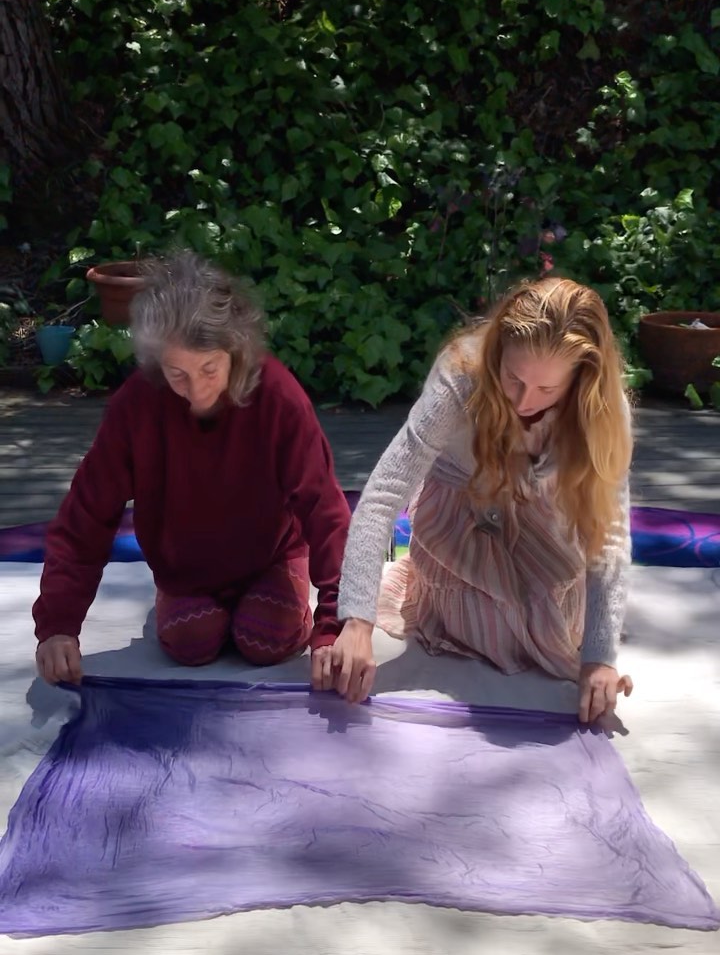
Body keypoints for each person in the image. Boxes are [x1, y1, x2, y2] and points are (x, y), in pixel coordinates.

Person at [33, 251, 351, 688]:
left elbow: (324, 507)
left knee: (266, 638)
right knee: (191, 642)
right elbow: (87, 514)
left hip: (269, 557)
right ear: (156, 363)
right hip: (184, 569)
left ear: (235, 351)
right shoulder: (135, 406)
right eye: (177, 374)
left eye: (209, 369)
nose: (197, 391)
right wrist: (58, 625)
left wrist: (335, 625)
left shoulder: (277, 396)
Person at [331, 276, 634, 724]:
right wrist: (356, 622)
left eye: (547, 390)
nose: (524, 402)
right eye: (514, 378)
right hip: (459, 515)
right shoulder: (461, 375)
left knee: (556, 620)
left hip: (543, 521)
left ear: (581, 377)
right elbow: (383, 494)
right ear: (497, 353)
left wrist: (600, 657)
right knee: (489, 622)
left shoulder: (602, 408)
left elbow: (608, 531)